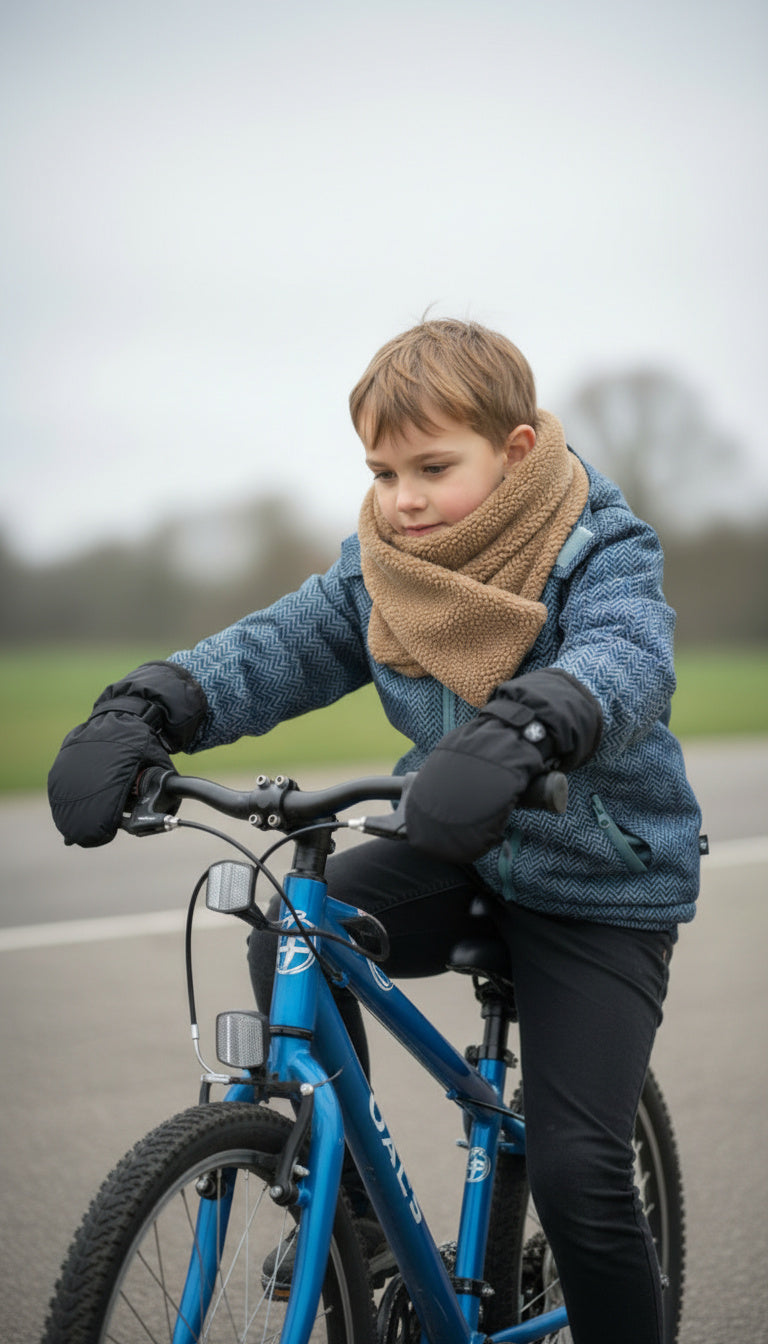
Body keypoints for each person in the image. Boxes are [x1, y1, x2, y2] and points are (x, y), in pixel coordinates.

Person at [48, 318, 702, 1344]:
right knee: (298, 929)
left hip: (599, 885)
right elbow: (279, 647)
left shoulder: (595, 547)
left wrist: (529, 724)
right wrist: (151, 704)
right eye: (382, 469)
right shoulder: (386, 565)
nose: (402, 496)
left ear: (515, 451)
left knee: (579, 1172)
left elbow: (628, 658)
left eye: (433, 467)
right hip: (462, 840)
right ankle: (356, 1224)